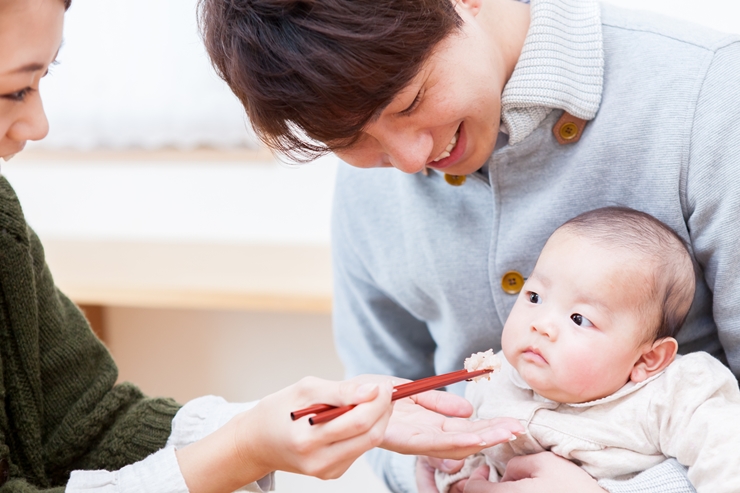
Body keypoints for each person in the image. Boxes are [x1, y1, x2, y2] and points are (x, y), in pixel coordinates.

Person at [199, 0, 740, 491]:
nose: (409, 161)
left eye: (411, 101)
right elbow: (384, 387)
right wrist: (432, 473)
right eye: (351, 140)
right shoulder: (369, 185)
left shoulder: (713, 93)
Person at [0, 0, 525, 492]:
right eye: (15, 91)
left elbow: (86, 424)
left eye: (43, 79)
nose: (409, 162)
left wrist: (262, 425)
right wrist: (246, 446)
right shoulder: (371, 187)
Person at [435, 207, 740, 493]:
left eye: (579, 319)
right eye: (535, 296)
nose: (541, 325)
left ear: (648, 359)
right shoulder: (494, 379)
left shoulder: (671, 397)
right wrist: (455, 477)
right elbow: (466, 459)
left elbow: (728, 456)